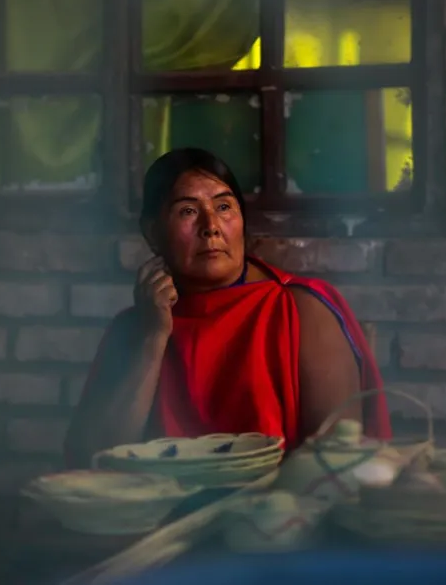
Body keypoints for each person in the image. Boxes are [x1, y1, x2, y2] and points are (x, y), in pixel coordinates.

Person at [64, 148, 390, 467]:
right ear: (153, 233)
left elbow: (337, 460)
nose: (211, 226)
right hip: (158, 515)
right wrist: (154, 336)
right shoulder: (136, 326)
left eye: (223, 207)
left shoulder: (300, 310)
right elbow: (94, 459)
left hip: (278, 510)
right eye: (188, 211)